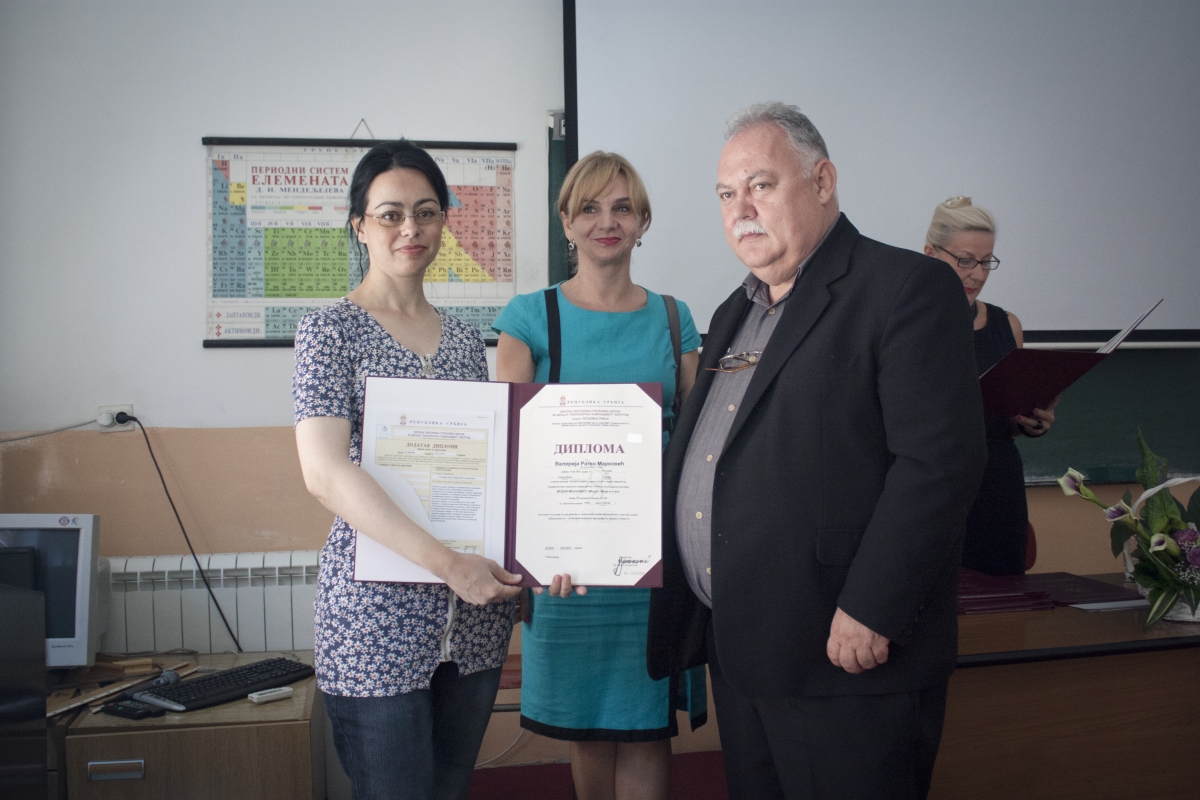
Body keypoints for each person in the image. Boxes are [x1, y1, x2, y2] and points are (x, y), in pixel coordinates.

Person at [646, 102, 988, 800]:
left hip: (846, 660)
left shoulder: (905, 289)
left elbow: (938, 465)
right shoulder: (732, 312)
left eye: (761, 185)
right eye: (725, 194)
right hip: (743, 653)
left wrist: (873, 608)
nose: (741, 209)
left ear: (823, 181)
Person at [292, 140, 522, 800]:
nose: (410, 228)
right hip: (376, 625)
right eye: (390, 214)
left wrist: (535, 557)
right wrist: (449, 564)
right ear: (360, 225)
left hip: (471, 626)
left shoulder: (464, 341)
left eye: (426, 212)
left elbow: (481, 476)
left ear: (444, 221)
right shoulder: (328, 331)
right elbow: (325, 473)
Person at [494, 151, 704, 800]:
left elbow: (698, 444)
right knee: (587, 727)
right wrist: (530, 556)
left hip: (652, 560)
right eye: (589, 208)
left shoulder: (674, 318)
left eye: (622, 208)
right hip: (566, 568)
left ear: (643, 222)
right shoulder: (529, 317)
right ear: (566, 222)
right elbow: (509, 446)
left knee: (645, 727)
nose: (606, 222)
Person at [924, 197, 1056, 576]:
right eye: (966, 260)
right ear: (931, 254)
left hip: (998, 486)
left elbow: (1008, 415)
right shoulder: (904, 324)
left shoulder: (1006, 325)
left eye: (986, 262)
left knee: (1004, 598)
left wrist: (1031, 421)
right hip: (931, 486)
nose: (978, 275)